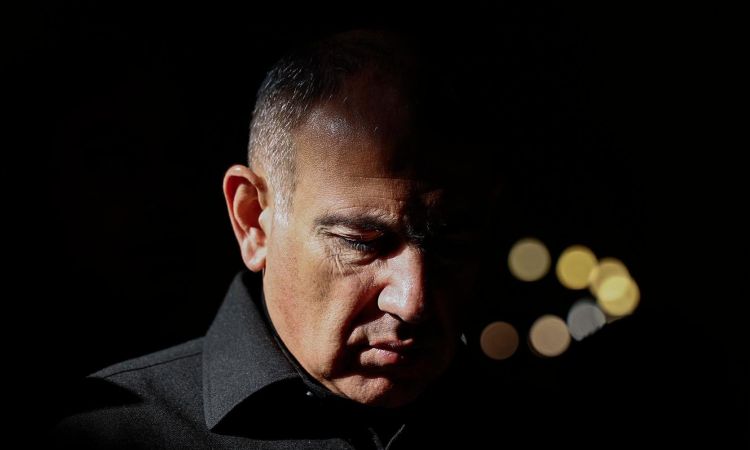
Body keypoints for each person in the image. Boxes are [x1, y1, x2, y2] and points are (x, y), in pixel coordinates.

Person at [50, 29, 501, 448]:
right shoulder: (113, 435)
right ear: (253, 221)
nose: (412, 302)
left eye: (452, 244)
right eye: (361, 241)